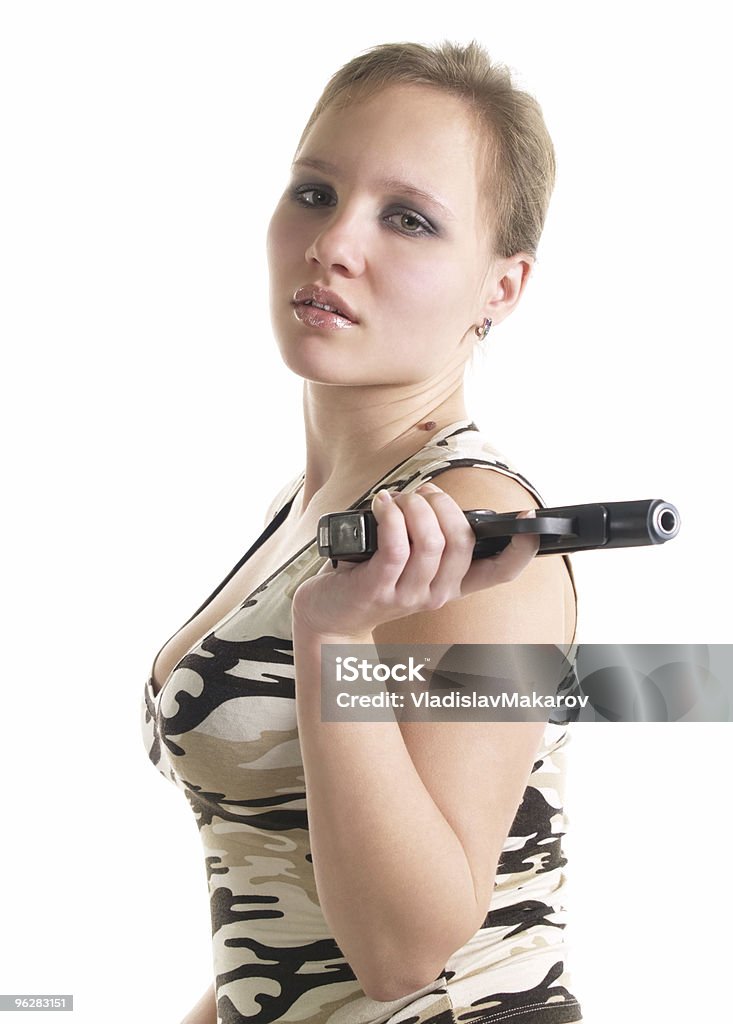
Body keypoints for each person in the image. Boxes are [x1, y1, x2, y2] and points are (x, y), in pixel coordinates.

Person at [141, 40, 582, 1024]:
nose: (334, 242)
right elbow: (279, 898)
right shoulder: (301, 515)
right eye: (314, 191)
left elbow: (399, 948)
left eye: (409, 219)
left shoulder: (485, 539)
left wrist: (334, 641)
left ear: (500, 287)